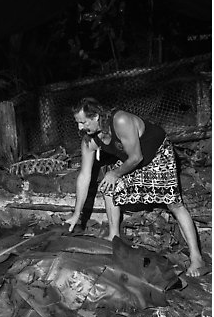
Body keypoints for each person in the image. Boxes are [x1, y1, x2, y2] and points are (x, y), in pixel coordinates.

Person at [65, 97, 206, 278]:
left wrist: (115, 173)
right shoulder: (89, 141)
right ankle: (113, 237)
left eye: (83, 122)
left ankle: (197, 258)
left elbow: (136, 157)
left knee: (174, 204)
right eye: (77, 123)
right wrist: (77, 214)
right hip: (132, 161)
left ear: (96, 116)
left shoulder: (120, 121)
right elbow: (84, 176)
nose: (80, 127)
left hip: (157, 155)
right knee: (108, 188)